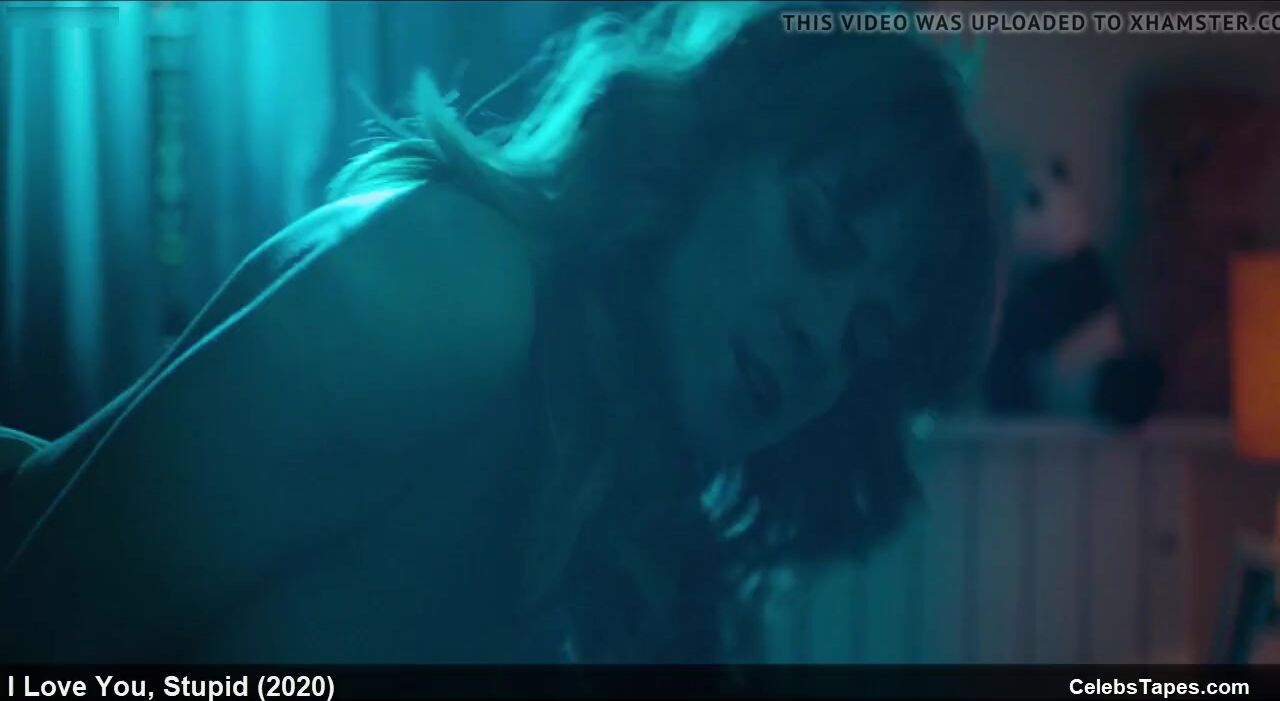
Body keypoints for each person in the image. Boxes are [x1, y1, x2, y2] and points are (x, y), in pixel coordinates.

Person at [0, 2, 996, 662]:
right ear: (706, 146)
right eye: (816, 234)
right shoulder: (456, 292)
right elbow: (37, 625)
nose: (822, 336)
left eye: (866, 336)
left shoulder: (629, 471)